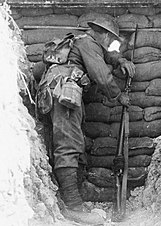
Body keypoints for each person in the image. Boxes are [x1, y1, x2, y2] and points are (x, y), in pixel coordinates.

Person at [49, 17, 135, 225]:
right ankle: (73, 208)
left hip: (67, 94)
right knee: (69, 145)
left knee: (74, 143)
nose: (110, 44)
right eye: (111, 39)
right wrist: (118, 96)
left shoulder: (85, 43)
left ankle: (74, 202)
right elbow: (102, 76)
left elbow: (107, 55)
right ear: (104, 35)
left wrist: (120, 60)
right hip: (65, 95)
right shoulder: (88, 43)